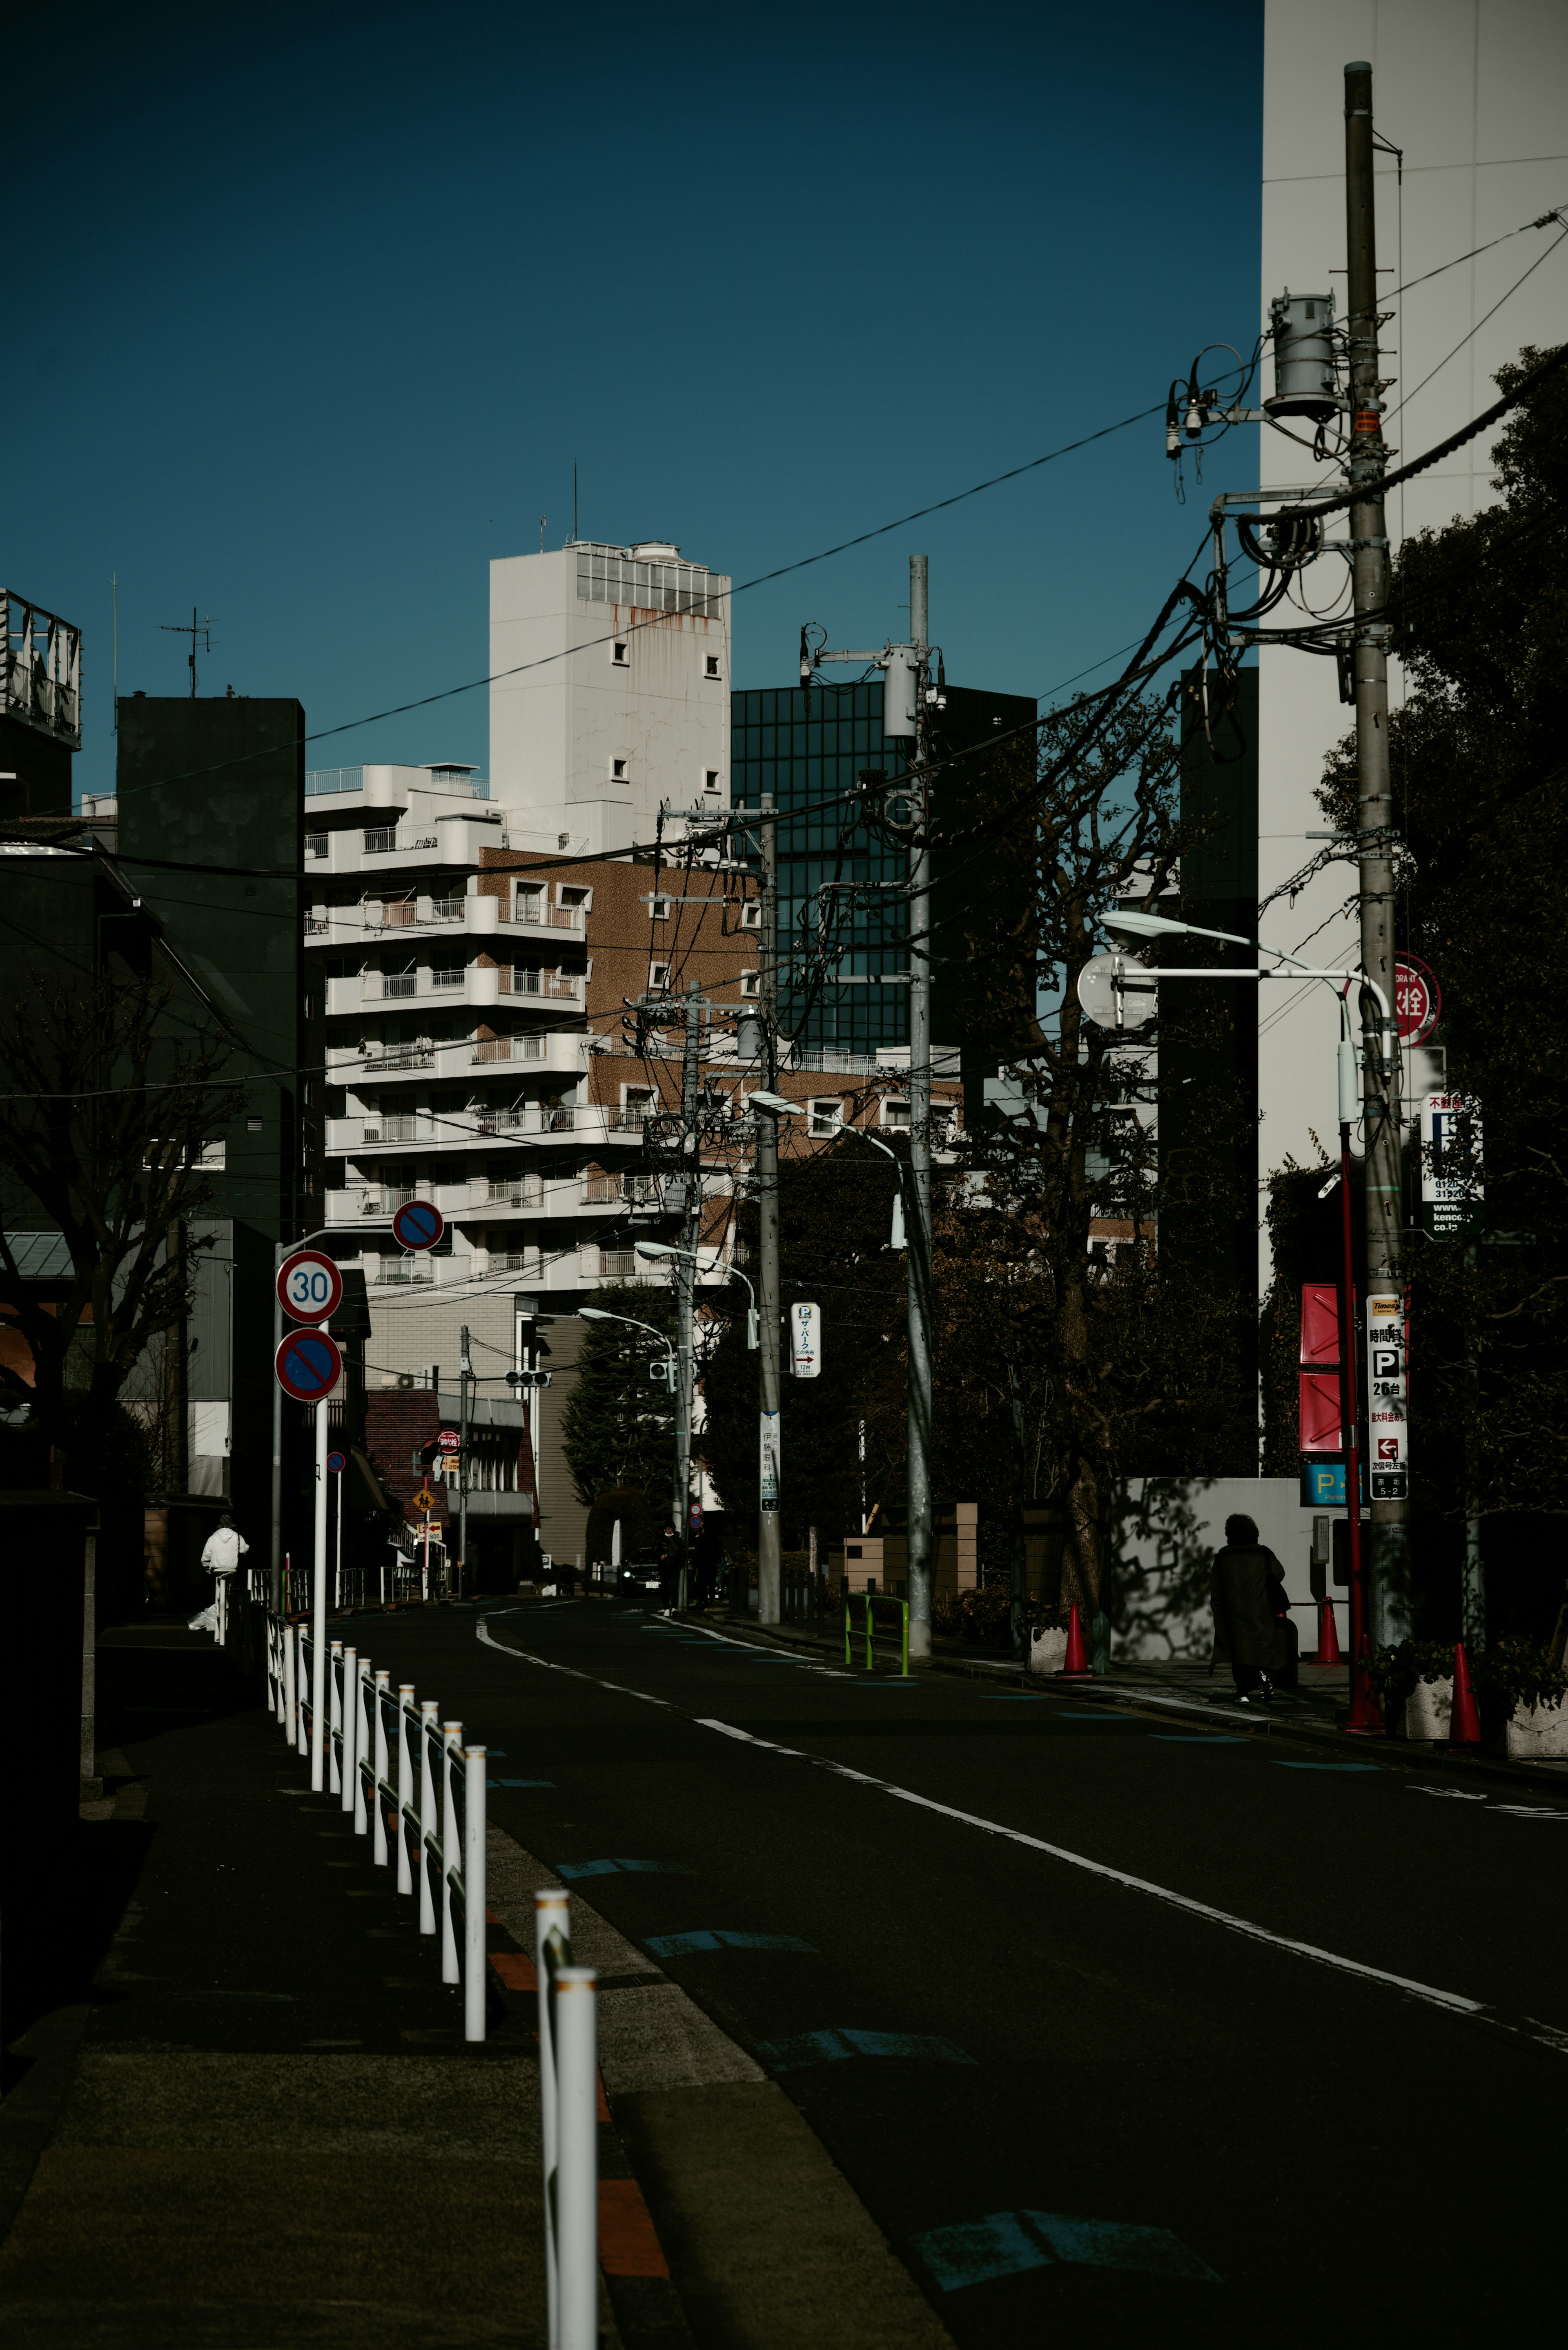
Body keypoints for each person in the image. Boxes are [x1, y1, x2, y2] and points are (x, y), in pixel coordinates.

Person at [1209, 1512, 1289, 1706]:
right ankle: (1263, 1674)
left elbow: (1216, 1587)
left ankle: (1242, 1692)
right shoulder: (1262, 1553)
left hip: (1233, 1613)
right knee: (1263, 1649)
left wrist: (1217, 1610)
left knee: (1240, 1655)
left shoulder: (1224, 1556)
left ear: (1230, 1533)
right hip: (1261, 1610)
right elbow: (1279, 1573)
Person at [192, 1515, 249, 1644]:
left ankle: (218, 1632)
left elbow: (204, 1558)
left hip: (217, 1572)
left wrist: (208, 1570)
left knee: (219, 1598)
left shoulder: (212, 1538)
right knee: (230, 1598)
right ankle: (230, 1628)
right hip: (232, 1571)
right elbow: (245, 1550)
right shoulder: (237, 1537)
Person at [655, 1521, 685, 1614]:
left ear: (673, 1529)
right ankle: (667, 1608)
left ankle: (674, 1608)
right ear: (665, 1530)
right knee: (665, 1588)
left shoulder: (678, 1540)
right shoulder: (660, 1540)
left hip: (674, 1567)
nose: (669, 1531)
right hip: (664, 1567)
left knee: (674, 1588)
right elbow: (654, 1552)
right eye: (668, 1529)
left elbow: (683, 1554)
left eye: (671, 1529)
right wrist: (660, 1557)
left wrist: (679, 1566)